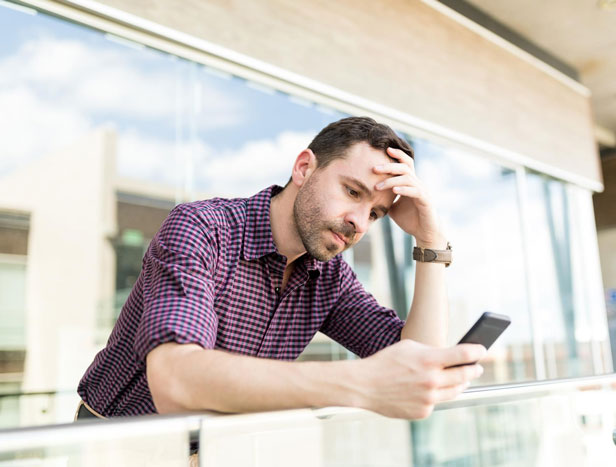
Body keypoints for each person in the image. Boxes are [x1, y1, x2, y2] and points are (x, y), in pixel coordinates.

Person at [76, 116, 486, 424]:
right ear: (304, 168)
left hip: (218, 450)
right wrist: (362, 383)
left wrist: (429, 244)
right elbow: (175, 382)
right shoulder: (204, 228)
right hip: (115, 443)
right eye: (352, 191)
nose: (360, 222)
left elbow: (419, 360)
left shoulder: (329, 276)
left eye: (376, 213)